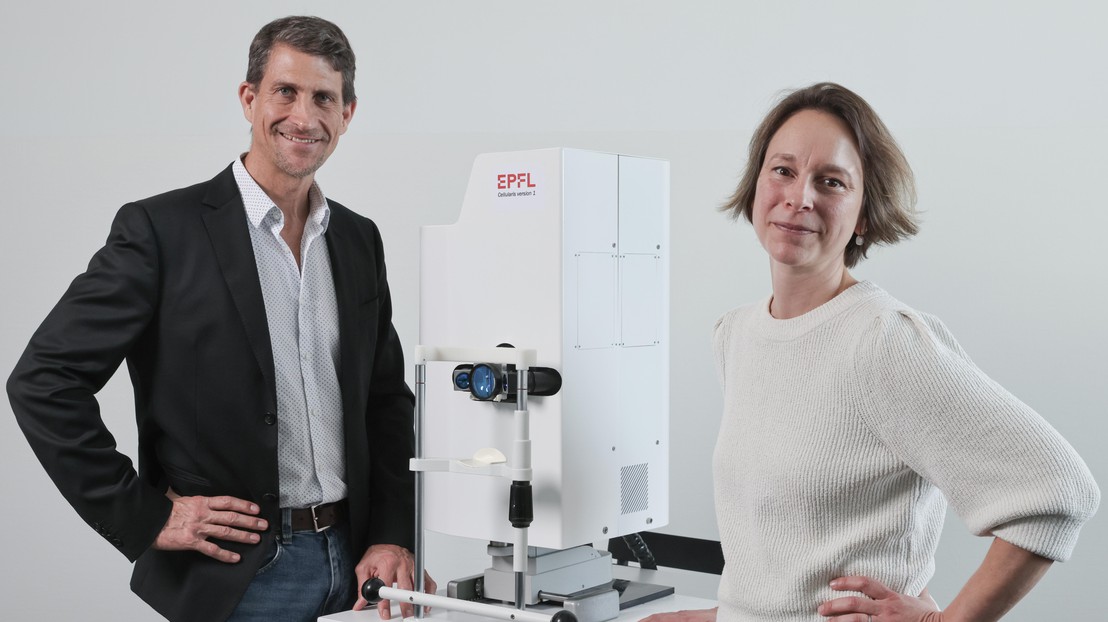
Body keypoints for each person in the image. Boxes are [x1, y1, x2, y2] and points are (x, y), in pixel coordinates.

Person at [7, 15, 435, 622]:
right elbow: (43, 379)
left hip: (360, 569)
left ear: (348, 114)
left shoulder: (358, 239)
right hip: (241, 575)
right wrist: (147, 514)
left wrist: (394, 533)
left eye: (324, 97)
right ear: (249, 98)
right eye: (285, 91)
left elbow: (386, 400)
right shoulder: (161, 232)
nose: (304, 116)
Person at [645, 83, 1099, 622]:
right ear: (755, 186)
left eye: (830, 182)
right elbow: (781, 558)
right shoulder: (736, 334)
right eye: (783, 170)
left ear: (863, 215)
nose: (799, 197)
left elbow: (1057, 488)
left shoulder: (880, 341)